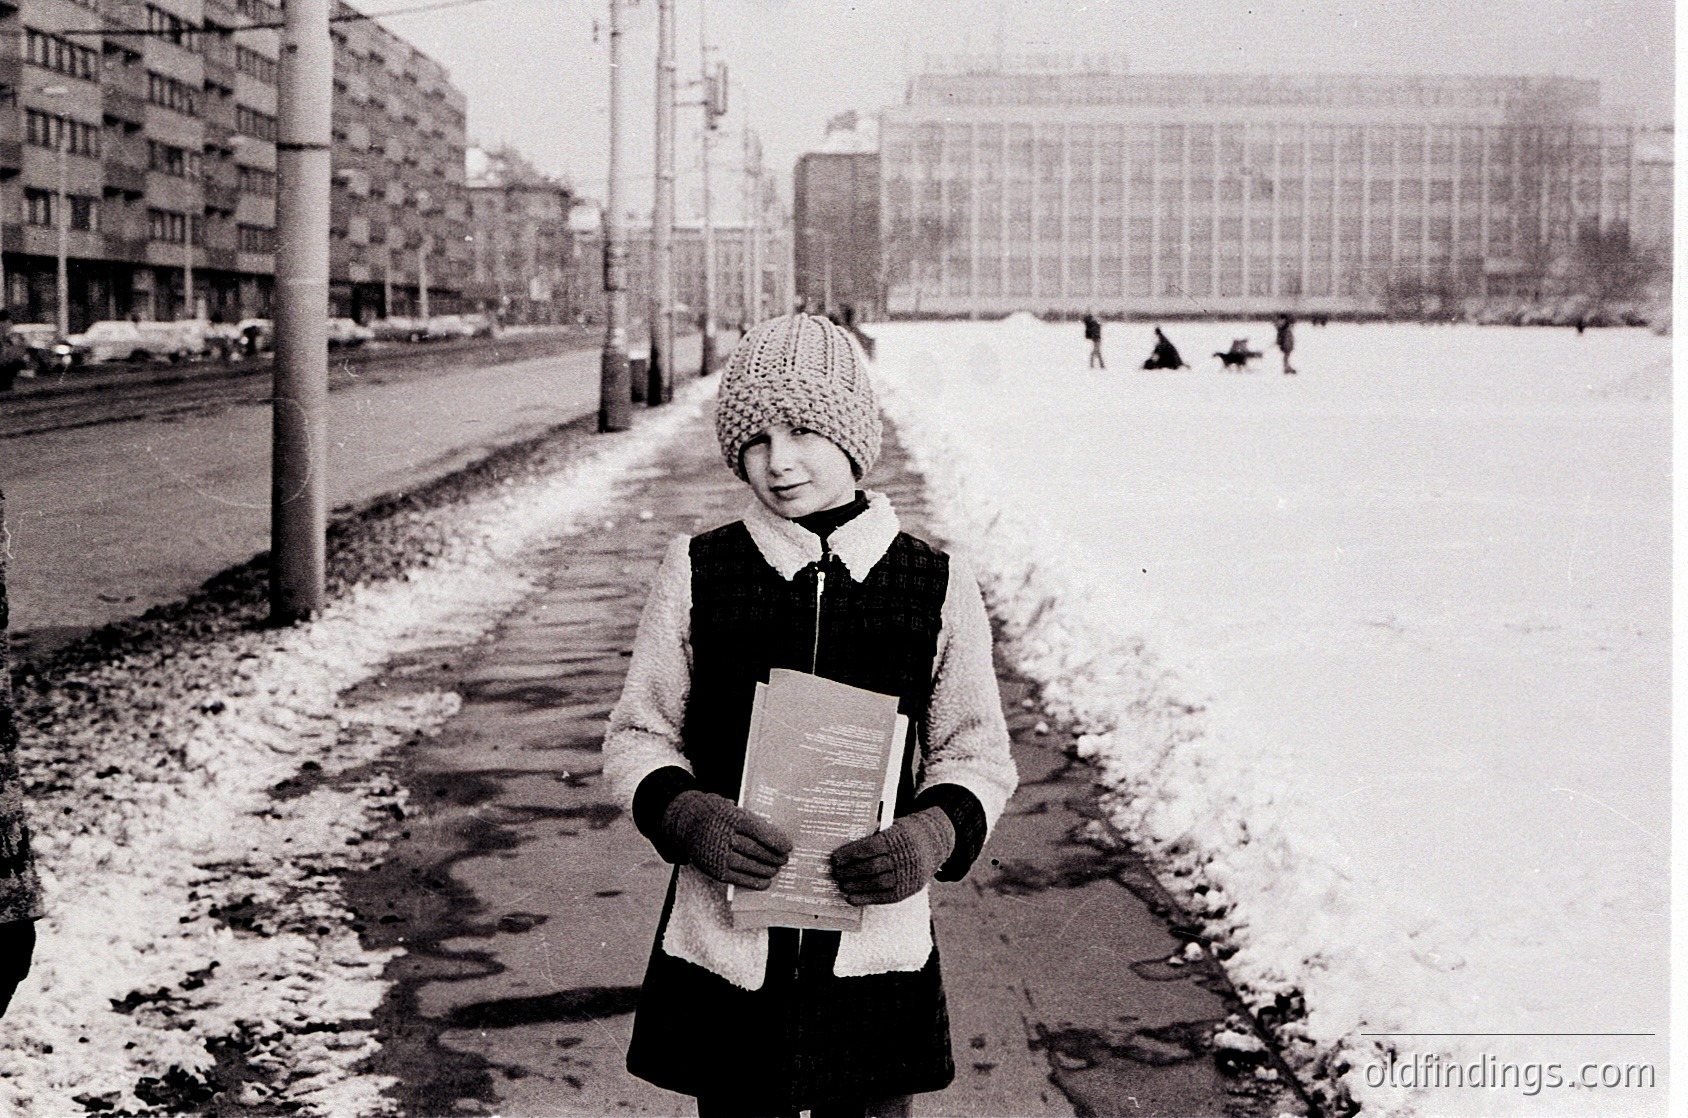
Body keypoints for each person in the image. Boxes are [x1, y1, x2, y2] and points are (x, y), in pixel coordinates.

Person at [604, 313, 1018, 1118]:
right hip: (732, 951)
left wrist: (931, 835)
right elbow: (637, 735)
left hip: (872, 954)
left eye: (803, 430)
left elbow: (978, 753)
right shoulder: (700, 571)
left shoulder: (932, 583)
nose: (779, 461)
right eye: (754, 438)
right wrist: (685, 815)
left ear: (853, 435)